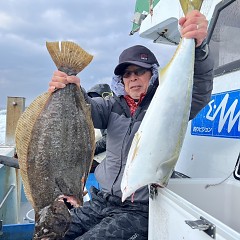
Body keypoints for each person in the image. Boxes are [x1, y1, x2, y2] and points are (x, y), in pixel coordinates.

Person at [49, 10, 214, 240]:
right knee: (51, 233)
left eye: (140, 72)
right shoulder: (112, 106)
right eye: (127, 74)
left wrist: (200, 50)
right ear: (121, 81)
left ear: (152, 74)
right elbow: (87, 109)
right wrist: (70, 88)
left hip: (137, 209)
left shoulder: (167, 106)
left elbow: (198, 92)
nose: (133, 78)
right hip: (102, 200)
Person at [87, 83, 112, 172]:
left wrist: (89, 151)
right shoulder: (89, 117)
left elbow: (107, 139)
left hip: (101, 160)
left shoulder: (107, 114)